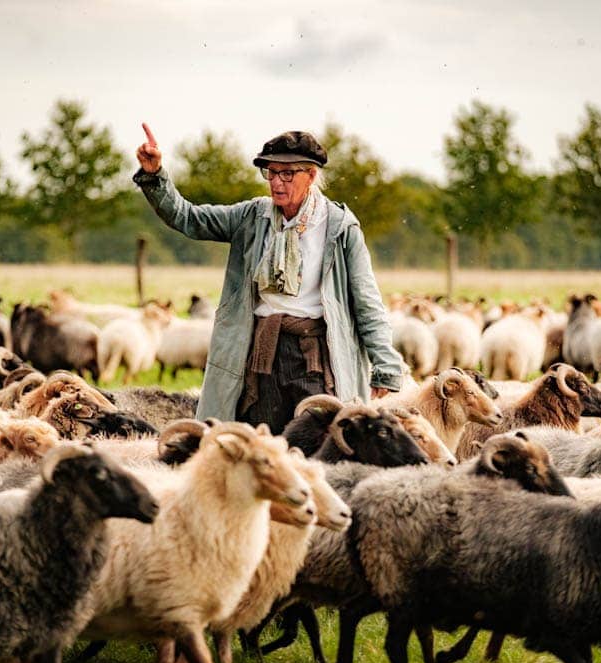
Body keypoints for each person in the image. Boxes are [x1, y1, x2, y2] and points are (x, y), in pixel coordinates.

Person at [133, 123, 404, 433]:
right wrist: (155, 176)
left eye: (287, 174)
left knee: (318, 440)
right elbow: (187, 217)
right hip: (262, 351)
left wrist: (385, 365)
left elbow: (368, 302)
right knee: (258, 441)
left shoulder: (340, 228)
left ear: (311, 175)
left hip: (314, 353)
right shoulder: (251, 217)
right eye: (271, 173)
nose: (276, 182)